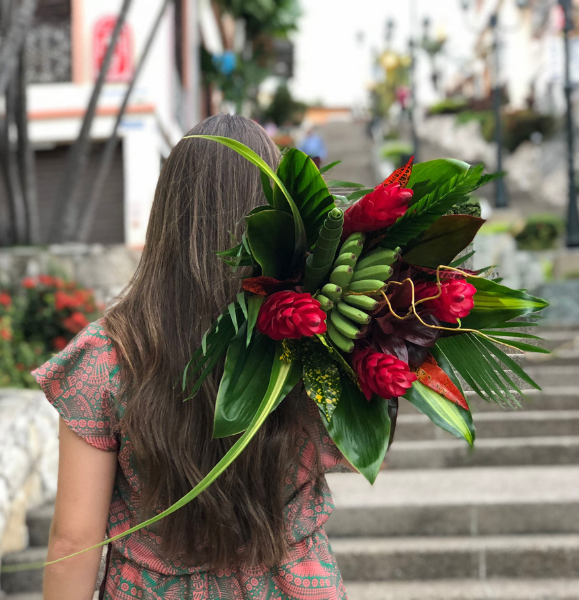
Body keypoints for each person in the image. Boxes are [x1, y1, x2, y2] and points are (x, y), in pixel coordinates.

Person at [34, 115, 349, 600]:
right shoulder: (315, 340)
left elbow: (75, 540)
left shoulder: (108, 357)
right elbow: (354, 447)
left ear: (166, 212)